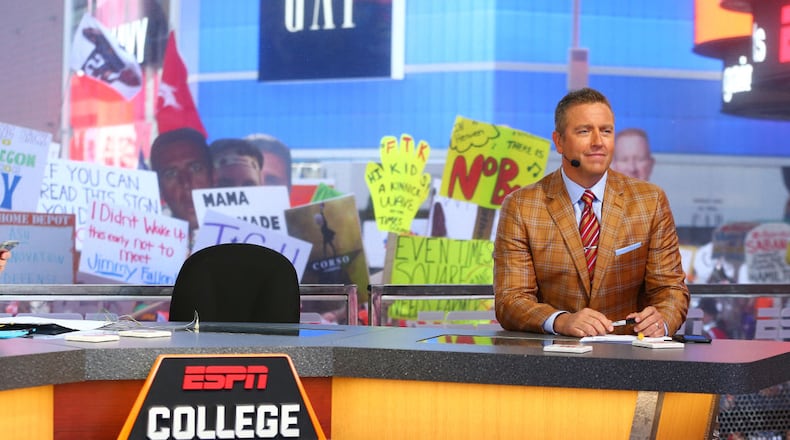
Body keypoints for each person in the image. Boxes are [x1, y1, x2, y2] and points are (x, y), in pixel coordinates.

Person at [493, 87, 689, 338]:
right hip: (554, 359)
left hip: (630, 357)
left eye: (606, 131)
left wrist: (661, 321)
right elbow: (510, 300)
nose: (598, 141)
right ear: (559, 141)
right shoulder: (522, 206)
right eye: (584, 131)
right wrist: (561, 321)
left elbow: (671, 290)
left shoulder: (650, 201)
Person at [150, 127, 213, 236]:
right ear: (159, 188)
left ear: (214, 174)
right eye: (171, 174)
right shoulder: (147, 245)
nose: (186, 183)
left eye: (195, 168)